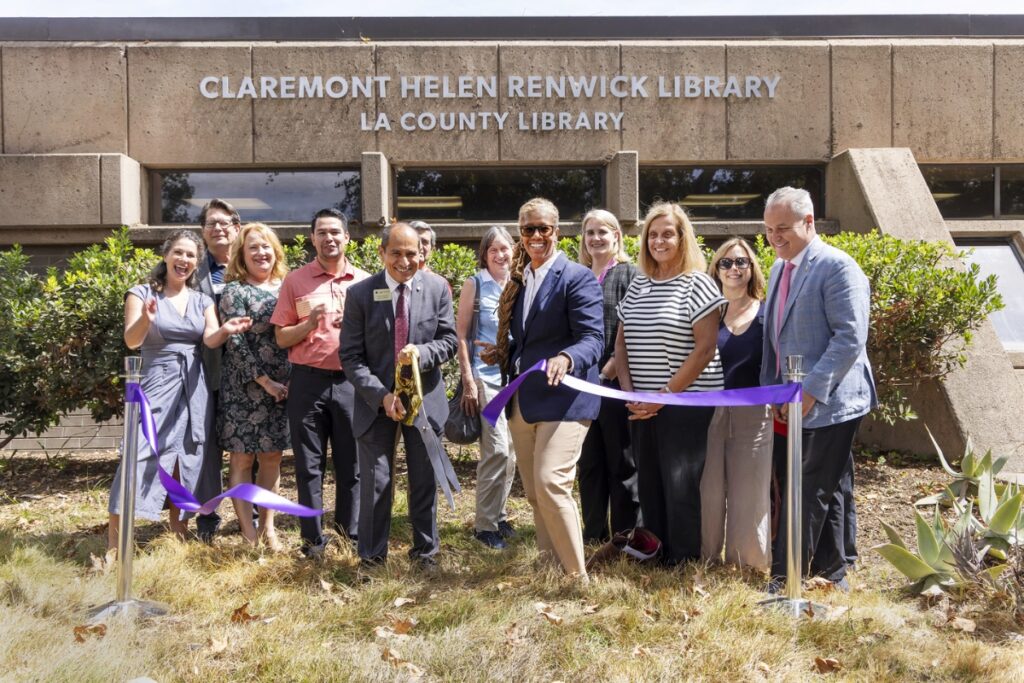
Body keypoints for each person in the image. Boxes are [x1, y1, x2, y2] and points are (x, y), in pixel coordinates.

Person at [479, 197, 603, 581]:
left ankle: (577, 578)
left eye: (543, 229)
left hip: (567, 399)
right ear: (521, 233)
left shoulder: (576, 277)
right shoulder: (519, 281)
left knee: (552, 483)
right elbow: (527, 340)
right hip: (524, 400)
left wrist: (567, 357)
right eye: (528, 229)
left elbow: (593, 338)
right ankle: (551, 567)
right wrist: (502, 351)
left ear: (556, 232)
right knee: (535, 493)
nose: (535, 236)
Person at [761, 186, 876, 592]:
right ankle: (834, 572)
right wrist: (775, 393)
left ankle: (783, 579)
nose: (775, 237)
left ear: (808, 223)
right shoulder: (779, 268)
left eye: (783, 229)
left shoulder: (838, 267)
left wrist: (808, 393)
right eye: (769, 230)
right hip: (791, 399)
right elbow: (774, 338)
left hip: (833, 402)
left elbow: (849, 338)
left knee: (809, 485)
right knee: (832, 485)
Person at [107, 230, 251, 550]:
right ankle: (114, 547)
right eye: (179, 253)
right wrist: (147, 318)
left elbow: (209, 339)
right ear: (166, 255)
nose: (184, 260)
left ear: (197, 264)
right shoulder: (141, 293)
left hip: (195, 384)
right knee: (140, 452)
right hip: (157, 382)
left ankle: (178, 534)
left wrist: (226, 329)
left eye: (191, 256)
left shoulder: (202, 300)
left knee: (187, 455)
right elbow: (132, 340)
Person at [339, 222, 459, 570]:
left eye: (412, 253)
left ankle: (426, 555)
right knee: (377, 481)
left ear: (422, 254)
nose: (405, 261)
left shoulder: (437, 288)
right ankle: (372, 559)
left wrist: (422, 352)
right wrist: (381, 396)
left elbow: (449, 341)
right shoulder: (361, 294)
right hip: (375, 403)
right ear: (382, 253)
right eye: (397, 253)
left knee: (423, 479)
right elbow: (350, 356)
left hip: (424, 400)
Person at [614, 202, 725, 565]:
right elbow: (621, 343)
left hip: (686, 403)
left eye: (668, 234)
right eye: (653, 235)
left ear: (682, 238)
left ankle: (683, 561)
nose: (659, 241)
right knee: (649, 483)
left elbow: (705, 349)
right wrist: (632, 395)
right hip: (642, 405)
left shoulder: (699, 284)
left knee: (679, 484)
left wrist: (662, 397)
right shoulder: (638, 284)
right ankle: (656, 553)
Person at [270, 208, 367, 558]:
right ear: (312, 239)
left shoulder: (365, 281)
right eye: (322, 232)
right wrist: (308, 324)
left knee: (351, 466)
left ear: (347, 238)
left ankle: (348, 536)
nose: (329, 238)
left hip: (351, 384)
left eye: (335, 232)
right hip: (307, 383)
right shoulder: (295, 281)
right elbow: (281, 338)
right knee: (309, 467)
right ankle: (312, 541)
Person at [700, 238, 773, 571]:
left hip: (755, 415)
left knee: (751, 491)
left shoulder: (768, 312)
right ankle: (705, 558)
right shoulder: (704, 312)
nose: (733, 269)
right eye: (726, 263)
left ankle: (748, 564)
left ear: (752, 268)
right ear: (715, 269)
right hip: (707, 413)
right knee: (708, 489)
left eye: (741, 262)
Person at [218, 223, 291, 551]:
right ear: (241, 256)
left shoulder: (289, 286)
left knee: (273, 456)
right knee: (242, 458)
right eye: (253, 248)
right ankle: (247, 532)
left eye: (266, 247)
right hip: (245, 386)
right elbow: (235, 343)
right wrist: (265, 381)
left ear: (275, 250)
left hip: (284, 385)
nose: (261, 253)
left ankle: (268, 528)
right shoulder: (233, 290)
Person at [576, 209, 640, 544]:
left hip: (615, 383)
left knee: (621, 460)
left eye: (603, 231)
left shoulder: (629, 274)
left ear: (617, 236)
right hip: (581, 385)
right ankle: (593, 534)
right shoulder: (578, 276)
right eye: (590, 232)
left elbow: (637, 324)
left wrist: (615, 362)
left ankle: (625, 536)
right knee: (589, 463)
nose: (596, 238)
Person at [455, 226, 518, 549]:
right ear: (485, 254)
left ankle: (500, 515)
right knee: (496, 449)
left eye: (505, 248)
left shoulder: (519, 284)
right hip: (484, 378)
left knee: (511, 453)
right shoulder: (475, 284)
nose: (500, 254)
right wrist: (468, 379)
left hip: (514, 378)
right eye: (493, 249)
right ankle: (484, 526)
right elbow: (462, 335)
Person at [194, 198, 241, 543]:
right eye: (211, 223)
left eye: (224, 222)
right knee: (207, 446)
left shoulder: (255, 262)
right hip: (203, 371)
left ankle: (248, 510)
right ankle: (207, 515)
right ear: (203, 232)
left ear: (237, 228)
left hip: (249, 374)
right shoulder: (189, 269)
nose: (218, 228)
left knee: (249, 446)